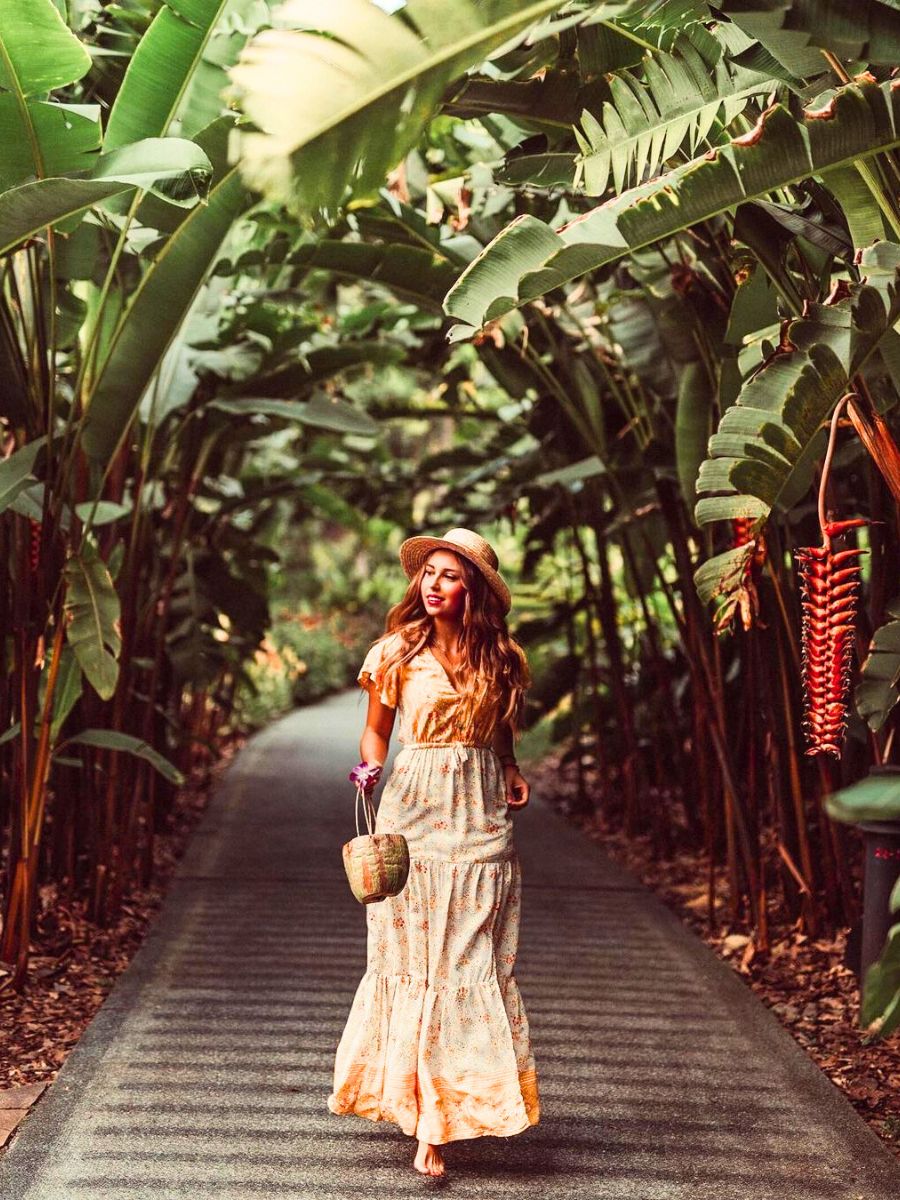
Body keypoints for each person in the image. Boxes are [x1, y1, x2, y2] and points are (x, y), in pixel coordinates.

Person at [326, 527, 540, 1177]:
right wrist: (369, 771)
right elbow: (375, 730)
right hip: (413, 813)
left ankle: (455, 1106)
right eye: (430, 573)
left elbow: (500, 724)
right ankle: (428, 1125)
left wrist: (507, 765)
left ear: (473, 588)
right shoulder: (393, 653)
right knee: (414, 960)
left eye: (451, 575)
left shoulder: (499, 657)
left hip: (479, 815)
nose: (434, 584)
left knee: (469, 961)